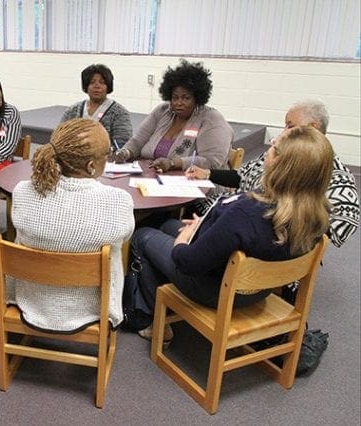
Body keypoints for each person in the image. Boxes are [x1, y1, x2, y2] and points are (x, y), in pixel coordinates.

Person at [126, 126, 333, 342]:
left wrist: (182, 241)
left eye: (273, 147)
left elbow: (187, 263)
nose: (268, 149)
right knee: (168, 223)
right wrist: (206, 225)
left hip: (216, 290)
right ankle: (162, 301)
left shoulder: (246, 213)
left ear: (282, 164)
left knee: (143, 236)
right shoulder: (320, 215)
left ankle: (148, 321)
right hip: (260, 289)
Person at [10, 118, 135, 332]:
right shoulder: (118, 202)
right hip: (92, 308)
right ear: (91, 165)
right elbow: (125, 237)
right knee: (115, 253)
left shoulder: (22, 192)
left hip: (31, 300)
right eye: (106, 155)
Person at [186, 100, 359, 249]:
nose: (284, 131)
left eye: (290, 125)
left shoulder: (337, 178)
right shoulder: (280, 151)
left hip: (255, 241)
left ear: (313, 128)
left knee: (174, 227)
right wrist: (208, 173)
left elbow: (340, 225)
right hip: (247, 227)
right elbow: (243, 175)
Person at [112, 60, 232, 173]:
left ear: (197, 98)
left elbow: (211, 162)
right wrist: (125, 152)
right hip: (155, 179)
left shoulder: (211, 119)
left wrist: (174, 163)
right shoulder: (162, 111)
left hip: (198, 186)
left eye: (186, 98)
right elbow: (138, 141)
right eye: (175, 97)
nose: (179, 103)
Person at [60, 64, 133, 148]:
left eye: (102, 82)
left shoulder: (119, 113)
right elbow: (60, 138)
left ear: (108, 86)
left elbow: (122, 144)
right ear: (86, 86)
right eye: (92, 82)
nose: (97, 86)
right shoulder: (72, 111)